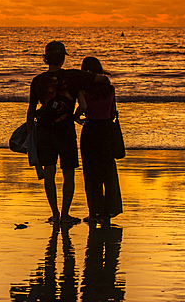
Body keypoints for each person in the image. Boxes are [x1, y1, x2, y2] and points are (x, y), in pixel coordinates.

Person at [26, 41, 83, 226]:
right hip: (66, 130)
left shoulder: (38, 80)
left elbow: (31, 108)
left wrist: (29, 133)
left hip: (44, 130)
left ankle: (55, 214)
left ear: (46, 58)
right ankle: (65, 214)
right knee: (68, 174)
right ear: (63, 58)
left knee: (49, 173)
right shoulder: (73, 77)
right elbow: (98, 80)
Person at [74, 56, 123, 226]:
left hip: (91, 130)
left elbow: (84, 107)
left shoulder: (83, 89)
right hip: (107, 131)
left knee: (91, 174)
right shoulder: (110, 89)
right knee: (108, 172)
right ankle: (108, 211)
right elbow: (113, 112)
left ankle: (94, 212)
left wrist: (76, 116)